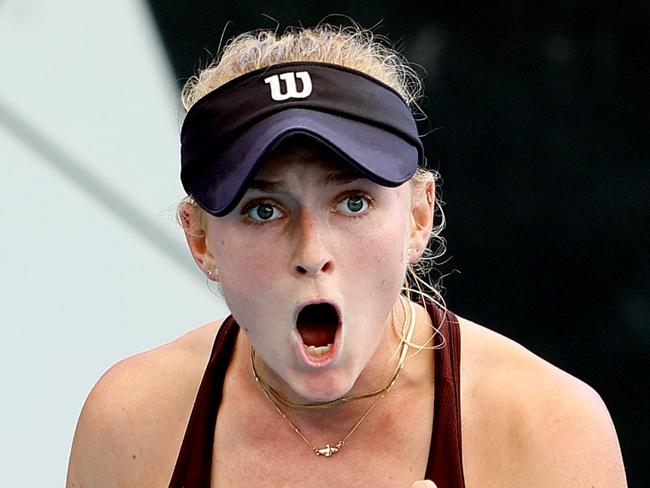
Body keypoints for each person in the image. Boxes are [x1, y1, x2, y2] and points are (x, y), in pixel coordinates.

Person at [66, 25, 627, 487]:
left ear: (417, 214)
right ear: (201, 239)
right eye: (264, 209)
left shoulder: (547, 427)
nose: (312, 253)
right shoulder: (132, 422)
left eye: (352, 202)